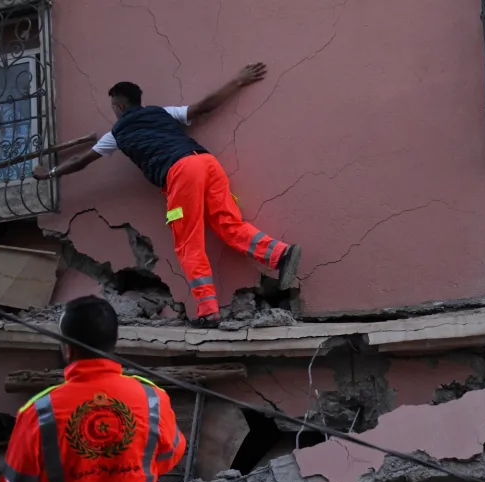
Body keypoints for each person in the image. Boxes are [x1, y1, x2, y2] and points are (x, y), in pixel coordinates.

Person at [34, 63, 301, 328]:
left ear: (119, 107)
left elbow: (83, 160)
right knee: (228, 224)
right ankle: (279, 254)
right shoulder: (163, 113)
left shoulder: (116, 133)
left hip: (181, 173)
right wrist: (238, 80)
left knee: (188, 243)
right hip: (207, 162)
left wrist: (50, 173)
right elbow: (204, 106)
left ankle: (209, 311)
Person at [0, 296, 186, 482]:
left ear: (67, 349)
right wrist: (120, 467)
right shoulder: (152, 398)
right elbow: (168, 457)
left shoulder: (39, 413)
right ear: (113, 342)